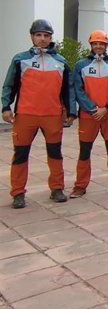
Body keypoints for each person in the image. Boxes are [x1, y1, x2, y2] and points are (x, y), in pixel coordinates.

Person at [2, 19, 76, 209]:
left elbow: (67, 89)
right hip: (26, 114)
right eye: (38, 35)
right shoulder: (20, 59)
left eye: (46, 35)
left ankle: (57, 188)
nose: (42, 39)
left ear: (51, 38)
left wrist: (71, 111)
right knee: (21, 154)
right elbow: (10, 84)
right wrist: (6, 106)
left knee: (55, 153)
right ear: (32, 37)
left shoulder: (60, 62)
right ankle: (18, 192)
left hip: (52, 115)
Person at [71, 30, 108, 197]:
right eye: (95, 43)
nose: (98, 46)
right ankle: (80, 185)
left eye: (101, 43)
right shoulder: (81, 66)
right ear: (91, 45)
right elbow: (77, 89)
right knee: (84, 151)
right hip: (89, 116)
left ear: (106, 45)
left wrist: (107, 108)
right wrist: (92, 108)